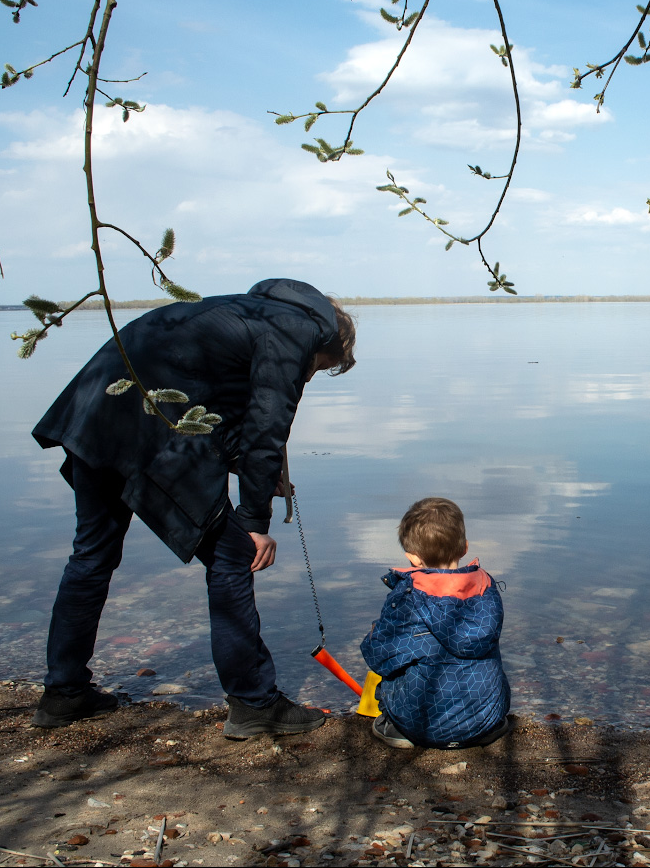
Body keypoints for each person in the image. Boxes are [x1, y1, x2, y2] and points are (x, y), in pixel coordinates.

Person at [30, 278, 356, 739]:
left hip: (93, 415)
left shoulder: (245, 312)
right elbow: (267, 426)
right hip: (144, 427)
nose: (309, 375)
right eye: (319, 369)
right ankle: (254, 702)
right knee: (232, 557)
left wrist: (252, 473)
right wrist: (254, 522)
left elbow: (205, 397)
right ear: (330, 342)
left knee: (91, 555)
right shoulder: (294, 332)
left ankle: (63, 692)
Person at [360, 498, 511, 749]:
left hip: (425, 725)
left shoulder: (409, 597)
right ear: (464, 547)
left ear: (412, 558)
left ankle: (399, 729)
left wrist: (374, 635)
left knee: (388, 675)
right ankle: (480, 727)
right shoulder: (485, 589)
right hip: (488, 719)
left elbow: (379, 657)